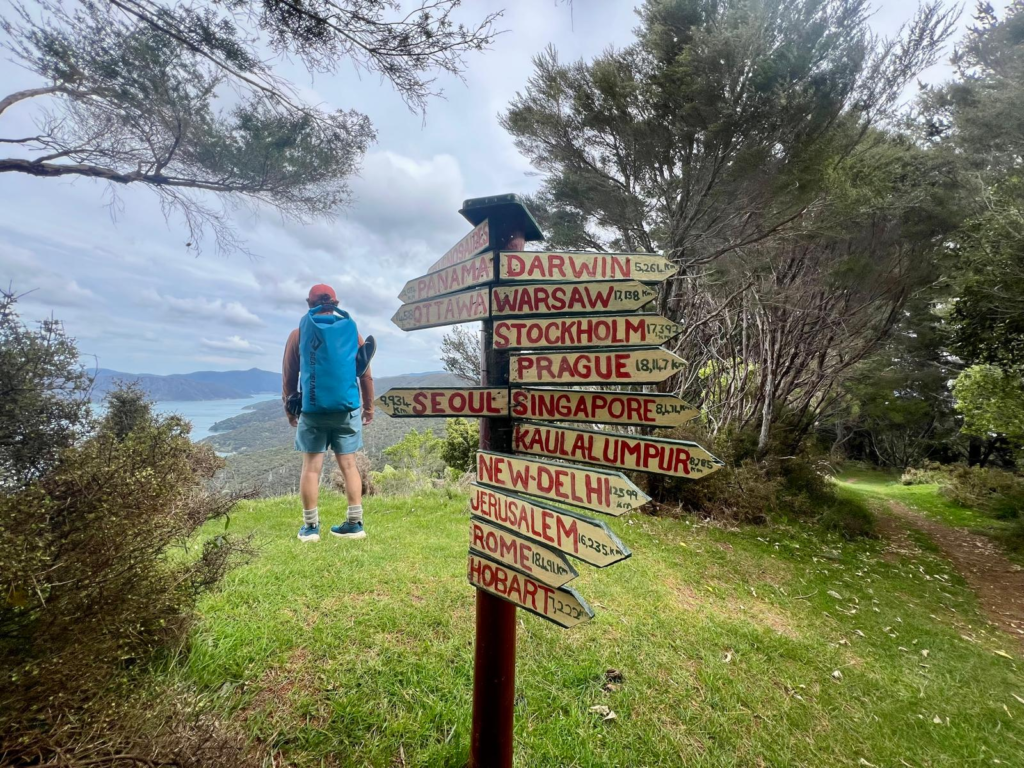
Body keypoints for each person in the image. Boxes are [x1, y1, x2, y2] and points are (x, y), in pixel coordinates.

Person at [282, 284, 374, 543]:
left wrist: (290, 410)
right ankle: (355, 524)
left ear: (308, 304)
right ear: (336, 302)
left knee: (311, 468)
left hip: (313, 410)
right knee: (349, 465)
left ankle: (311, 528)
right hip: (347, 409)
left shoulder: (298, 333)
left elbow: (289, 376)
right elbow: (364, 372)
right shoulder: (351, 330)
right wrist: (368, 407)